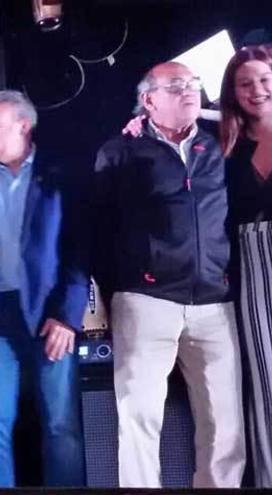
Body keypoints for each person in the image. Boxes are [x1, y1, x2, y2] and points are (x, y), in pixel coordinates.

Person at [93, 61, 245, 488]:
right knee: (139, 417)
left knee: (225, 425)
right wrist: (117, 290)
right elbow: (99, 229)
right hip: (146, 300)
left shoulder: (221, 145)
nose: (189, 91)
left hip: (215, 301)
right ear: (149, 101)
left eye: (194, 83)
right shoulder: (120, 151)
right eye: (176, 86)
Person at [0, 90, 88, 487]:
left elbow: (78, 251)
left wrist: (68, 317)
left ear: (24, 125)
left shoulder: (60, 174)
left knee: (62, 426)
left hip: (50, 315)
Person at [219, 44, 272, 487]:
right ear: (233, 92)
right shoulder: (226, 142)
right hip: (251, 263)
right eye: (245, 83)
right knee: (265, 376)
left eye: (264, 79)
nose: (257, 90)